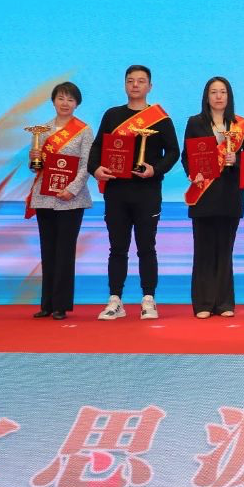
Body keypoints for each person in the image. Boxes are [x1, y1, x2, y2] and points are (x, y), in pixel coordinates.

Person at [87, 65, 179, 321]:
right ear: (125, 85)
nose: (135, 85)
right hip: (116, 192)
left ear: (150, 86)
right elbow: (97, 147)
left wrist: (155, 169)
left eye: (141, 81)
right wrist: (95, 169)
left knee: (147, 247)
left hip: (147, 192)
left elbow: (173, 151)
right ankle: (115, 299)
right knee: (117, 248)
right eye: (130, 81)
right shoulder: (112, 115)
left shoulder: (160, 118)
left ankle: (148, 299)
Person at [182, 77, 244, 319]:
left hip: (230, 194)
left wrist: (236, 160)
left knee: (225, 250)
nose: (218, 96)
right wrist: (193, 173)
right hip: (204, 193)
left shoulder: (240, 125)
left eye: (223, 92)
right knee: (203, 249)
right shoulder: (195, 122)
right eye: (213, 92)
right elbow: (186, 156)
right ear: (206, 96)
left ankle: (224, 302)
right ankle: (203, 303)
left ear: (229, 96)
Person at [26, 81, 93, 320]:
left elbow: (87, 165)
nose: (65, 103)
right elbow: (36, 168)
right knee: (48, 250)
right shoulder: (41, 130)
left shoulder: (84, 130)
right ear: (53, 101)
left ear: (77, 104)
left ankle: (61, 305)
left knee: (65, 251)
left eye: (70, 99)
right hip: (45, 197)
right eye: (61, 98)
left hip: (71, 200)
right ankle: (46, 303)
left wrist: (72, 189)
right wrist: (34, 159)